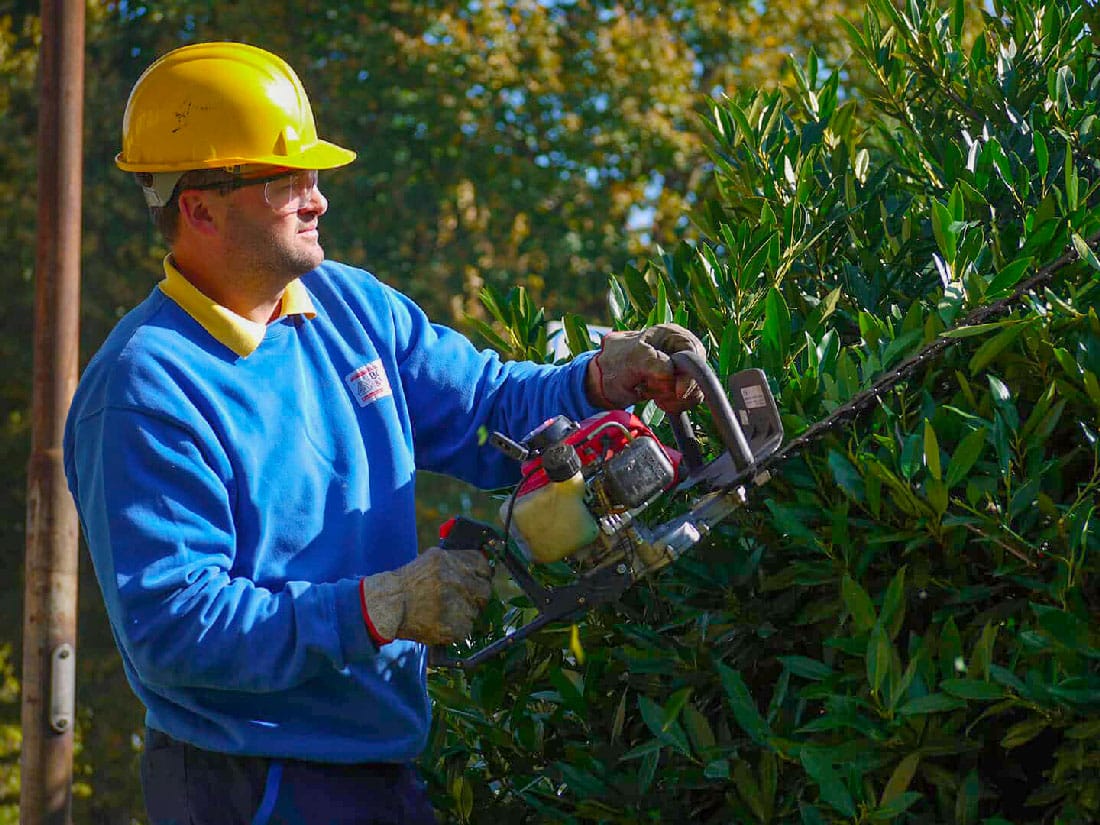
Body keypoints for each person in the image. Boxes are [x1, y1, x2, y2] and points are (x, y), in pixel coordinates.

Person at [63, 41, 705, 825]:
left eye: (315, 175)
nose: (318, 197)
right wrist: (382, 606)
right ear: (199, 207)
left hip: (379, 766)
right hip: (247, 786)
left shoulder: (349, 306)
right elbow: (176, 628)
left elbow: (485, 406)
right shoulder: (145, 387)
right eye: (287, 179)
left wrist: (600, 382)